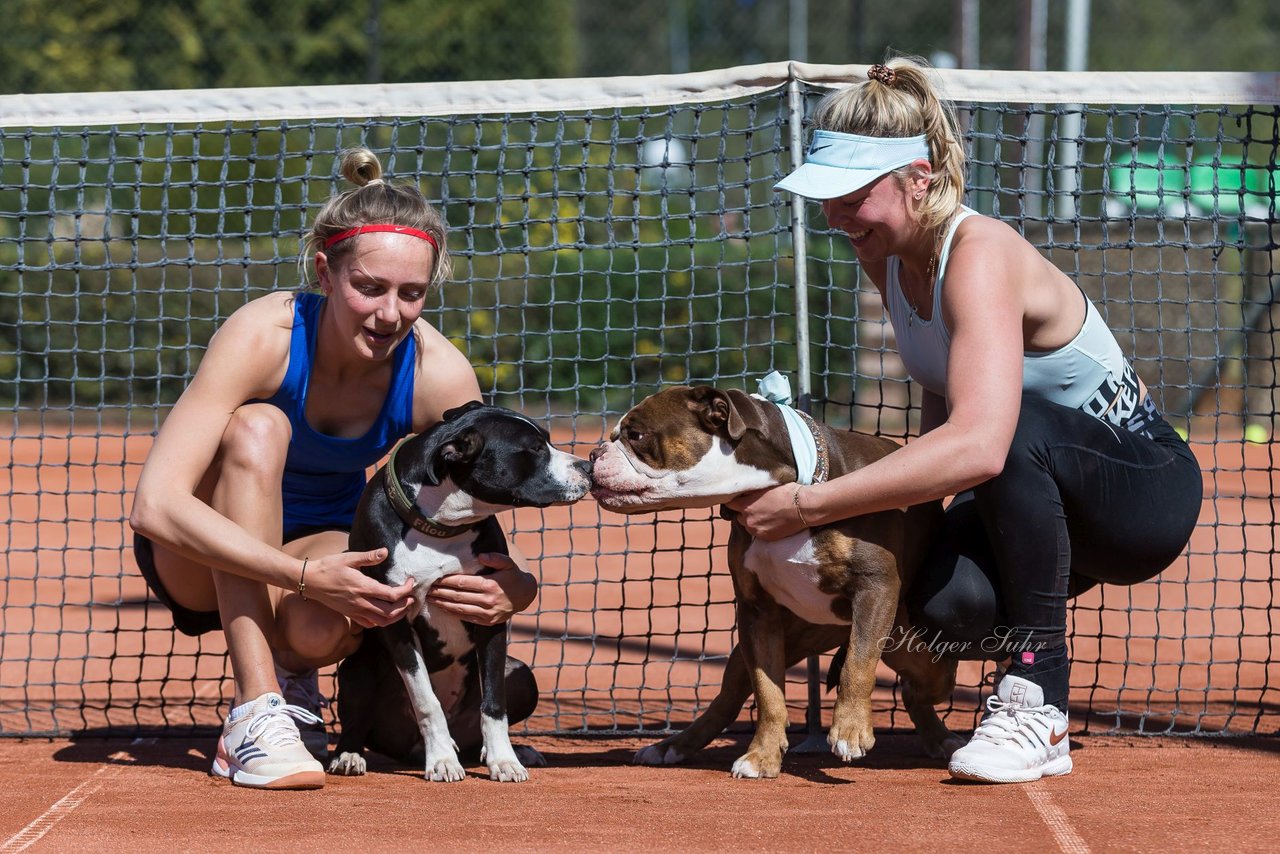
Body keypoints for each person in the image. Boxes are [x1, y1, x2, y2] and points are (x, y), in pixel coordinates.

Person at [727, 58, 1202, 784]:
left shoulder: (980, 252)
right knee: (941, 604)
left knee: (1009, 432)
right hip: (1040, 492)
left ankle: (1038, 701)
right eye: (826, 196)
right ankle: (996, 666)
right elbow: (943, 393)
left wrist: (805, 504)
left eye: (853, 193)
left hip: (1141, 497)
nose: (834, 214)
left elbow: (978, 444)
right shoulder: (887, 255)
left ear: (919, 179)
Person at [129, 148, 539, 790]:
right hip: (197, 553)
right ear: (325, 272)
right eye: (369, 288)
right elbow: (154, 506)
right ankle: (257, 712)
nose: (390, 314)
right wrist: (299, 574)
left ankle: (295, 677)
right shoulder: (264, 333)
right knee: (261, 426)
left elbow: (472, 504)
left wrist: (515, 586)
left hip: (318, 541)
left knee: (327, 625)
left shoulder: (438, 373)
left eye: (411, 293)